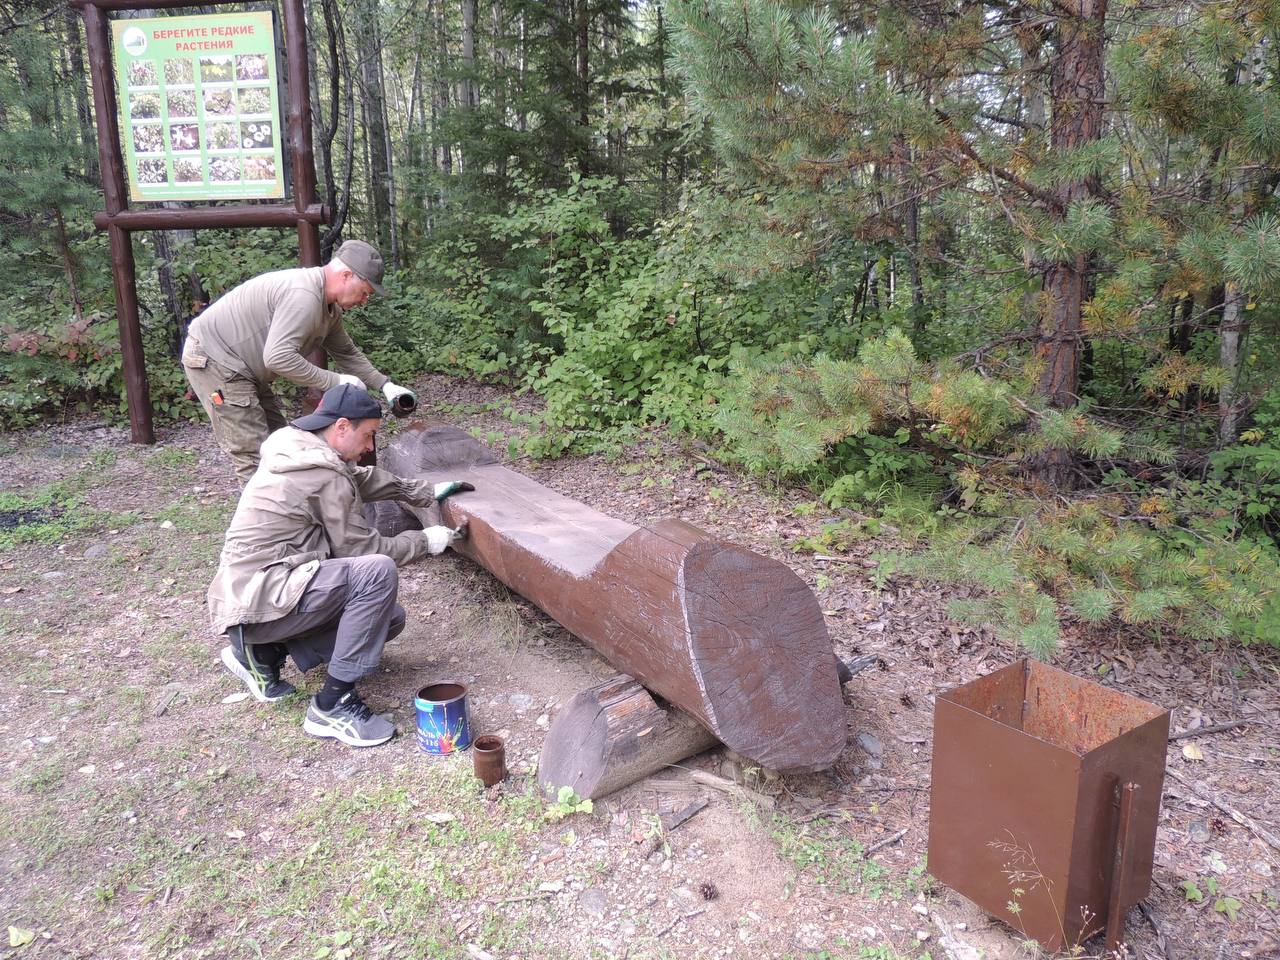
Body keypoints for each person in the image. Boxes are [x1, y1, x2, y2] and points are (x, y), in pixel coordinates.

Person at [207, 382, 474, 748]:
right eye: (368, 436)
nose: (369, 447)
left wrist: (423, 492)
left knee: (388, 619)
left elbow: (358, 478)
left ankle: (262, 653)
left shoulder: (302, 450)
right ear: (342, 426)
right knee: (376, 572)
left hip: (248, 602)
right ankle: (333, 705)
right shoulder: (320, 472)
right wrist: (426, 540)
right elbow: (363, 551)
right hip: (259, 600)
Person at [181, 239, 416, 482]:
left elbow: (346, 352)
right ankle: (265, 518)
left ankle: (293, 511)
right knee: (253, 453)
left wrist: (385, 385)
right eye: (365, 292)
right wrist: (335, 380)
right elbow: (278, 357)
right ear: (346, 275)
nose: (365, 300)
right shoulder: (303, 295)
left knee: (279, 444)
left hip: (244, 368)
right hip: (216, 360)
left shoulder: (329, 308)